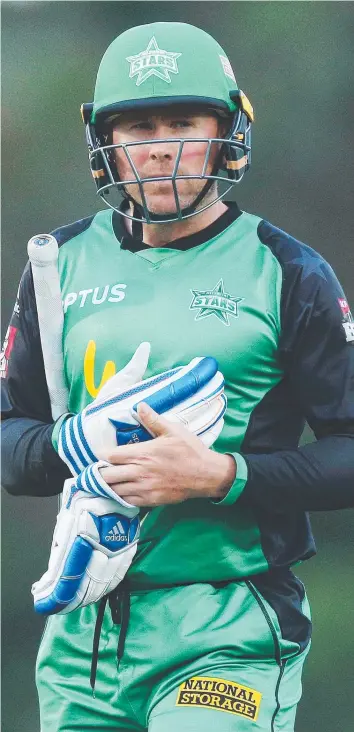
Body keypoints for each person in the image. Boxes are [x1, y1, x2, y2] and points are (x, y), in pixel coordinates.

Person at [1, 21, 354, 732]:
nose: (161, 144)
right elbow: (12, 444)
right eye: (137, 125)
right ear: (106, 142)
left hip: (227, 627)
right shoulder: (55, 265)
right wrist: (76, 444)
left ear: (229, 132)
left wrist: (222, 476)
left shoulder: (290, 272)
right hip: (82, 633)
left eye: (183, 122)